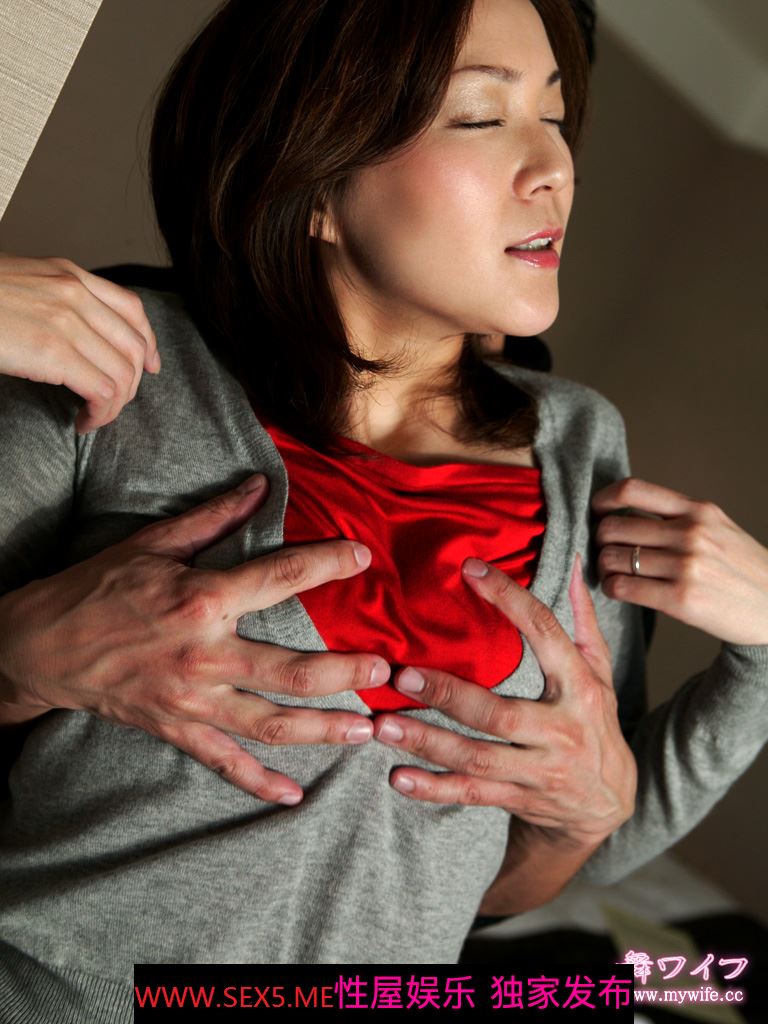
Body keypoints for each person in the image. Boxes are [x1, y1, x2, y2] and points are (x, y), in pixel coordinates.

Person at [0, 0, 766, 1016]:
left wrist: (758, 660)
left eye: (554, 117)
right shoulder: (114, 368)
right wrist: (20, 655)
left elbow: (539, 850)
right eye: (482, 117)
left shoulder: (583, 444)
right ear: (314, 179)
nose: (554, 168)